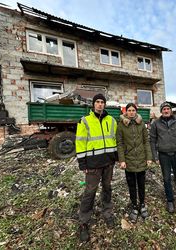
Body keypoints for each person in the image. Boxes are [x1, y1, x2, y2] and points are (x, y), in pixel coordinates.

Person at [75, 93, 118, 242]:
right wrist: (82, 163)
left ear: (105, 104)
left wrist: (116, 158)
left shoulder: (112, 121)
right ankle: (84, 222)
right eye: (97, 102)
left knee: (107, 188)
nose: (100, 104)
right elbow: (80, 143)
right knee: (90, 192)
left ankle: (107, 213)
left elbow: (115, 140)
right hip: (93, 165)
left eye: (102, 102)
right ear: (93, 104)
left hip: (108, 163)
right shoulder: (85, 121)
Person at [150, 102, 176, 215]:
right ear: (161, 111)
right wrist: (155, 156)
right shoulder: (156, 123)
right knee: (166, 179)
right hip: (163, 156)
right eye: (164, 109)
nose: (166, 111)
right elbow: (152, 141)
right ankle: (170, 201)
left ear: (171, 110)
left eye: (168, 109)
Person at [116, 103, 152, 222]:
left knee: (141, 184)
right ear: (126, 112)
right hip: (128, 160)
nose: (131, 112)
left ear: (136, 111)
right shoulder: (121, 125)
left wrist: (149, 157)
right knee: (132, 185)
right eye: (129, 110)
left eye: (133, 110)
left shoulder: (141, 124)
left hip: (141, 159)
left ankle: (142, 204)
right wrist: (122, 160)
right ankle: (134, 206)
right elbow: (120, 143)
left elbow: (146, 141)